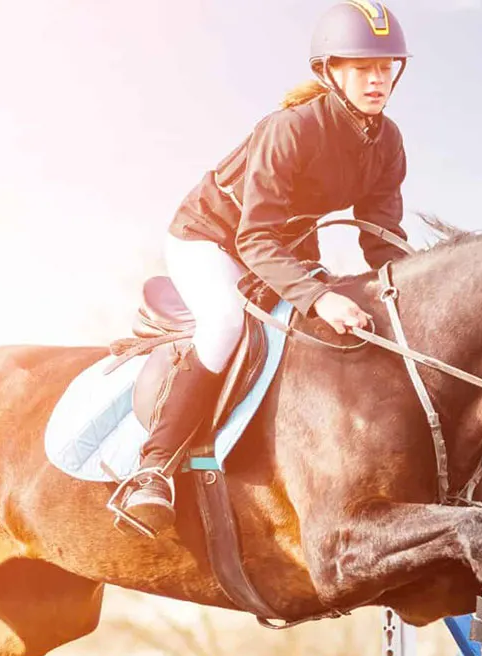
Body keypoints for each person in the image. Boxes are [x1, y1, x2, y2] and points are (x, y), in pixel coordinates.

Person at [114, 1, 413, 536]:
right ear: (330, 71)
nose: (377, 80)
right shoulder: (290, 129)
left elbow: (381, 238)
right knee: (227, 321)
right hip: (210, 239)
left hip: (281, 244)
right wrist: (318, 294)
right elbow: (253, 236)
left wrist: (412, 293)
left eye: (386, 68)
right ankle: (151, 470)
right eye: (363, 68)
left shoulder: (386, 140)